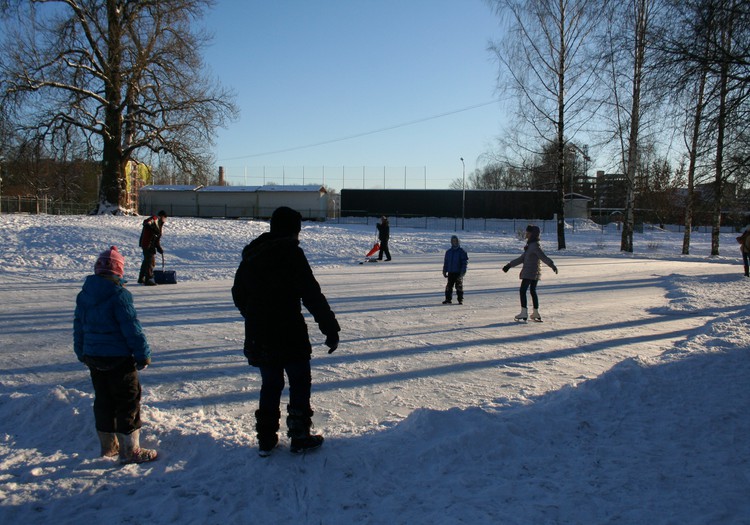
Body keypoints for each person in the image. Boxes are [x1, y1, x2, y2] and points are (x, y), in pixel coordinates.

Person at [232, 206, 341, 457]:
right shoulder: (291, 254)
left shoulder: (252, 255)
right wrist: (330, 328)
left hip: (260, 333)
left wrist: (253, 315)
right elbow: (311, 294)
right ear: (293, 230)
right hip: (289, 331)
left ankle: (266, 439)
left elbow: (238, 293)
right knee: (299, 381)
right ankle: (300, 435)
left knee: (270, 383)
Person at [73, 246, 157, 464]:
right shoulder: (119, 295)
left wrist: (81, 350)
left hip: (94, 357)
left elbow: (78, 326)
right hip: (119, 360)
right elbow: (132, 328)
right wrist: (142, 354)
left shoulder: (84, 295)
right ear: (118, 272)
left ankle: (108, 447)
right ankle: (130, 450)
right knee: (128, 400)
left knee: (103, 400)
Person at [502, 224, 558, 322]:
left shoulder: (534, 246)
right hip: (534, 272)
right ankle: (535, 312)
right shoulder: (531, 245)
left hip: (530, 272)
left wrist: (552, 265)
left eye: (528, 232)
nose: (526, 233)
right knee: (532, 291)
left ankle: (524, 312)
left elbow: (543, 257)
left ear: (532, 234)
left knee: (523, 290)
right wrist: (509, 265)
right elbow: (522, 258)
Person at [138, 210, 167, 285]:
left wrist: (159, 247)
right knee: (150, 261)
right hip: (147, 243)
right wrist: (152, 228)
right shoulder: (155, 219)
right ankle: (148, 279)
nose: (165, 220)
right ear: (161, 216)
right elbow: (146, 222)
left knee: (147, 261)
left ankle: (141, 278)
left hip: (151, 244)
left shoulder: (159, 224)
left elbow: (156, 238)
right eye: (165, 218)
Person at [442, 235, 468, 304]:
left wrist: (463, 272)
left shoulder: (461, 251)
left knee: (459, 286)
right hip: (451, 272)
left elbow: (464, 263)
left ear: (458, 242)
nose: (454, 242)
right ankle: (448, 299)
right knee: (449, 286)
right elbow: (446, 262)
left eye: (455, 241)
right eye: (453, 241)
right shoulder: (449, 252)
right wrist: (444, 270)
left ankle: (460, 299)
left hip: (458, 272)